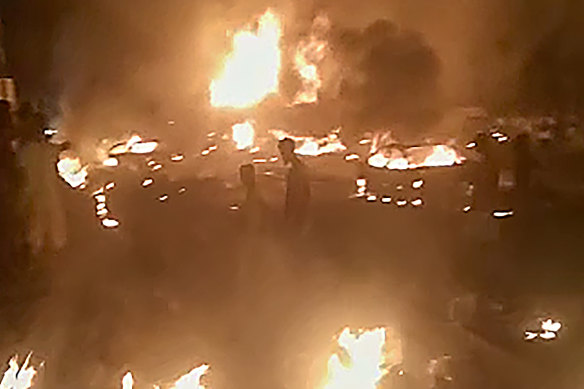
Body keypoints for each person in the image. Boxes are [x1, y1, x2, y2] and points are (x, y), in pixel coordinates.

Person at [277, 137, 310, 230]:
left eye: (282, 152)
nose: (281, 156)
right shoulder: (296, 167)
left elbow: (298, 194)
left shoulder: (296, 169)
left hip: (297, 216)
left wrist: (291, 216)